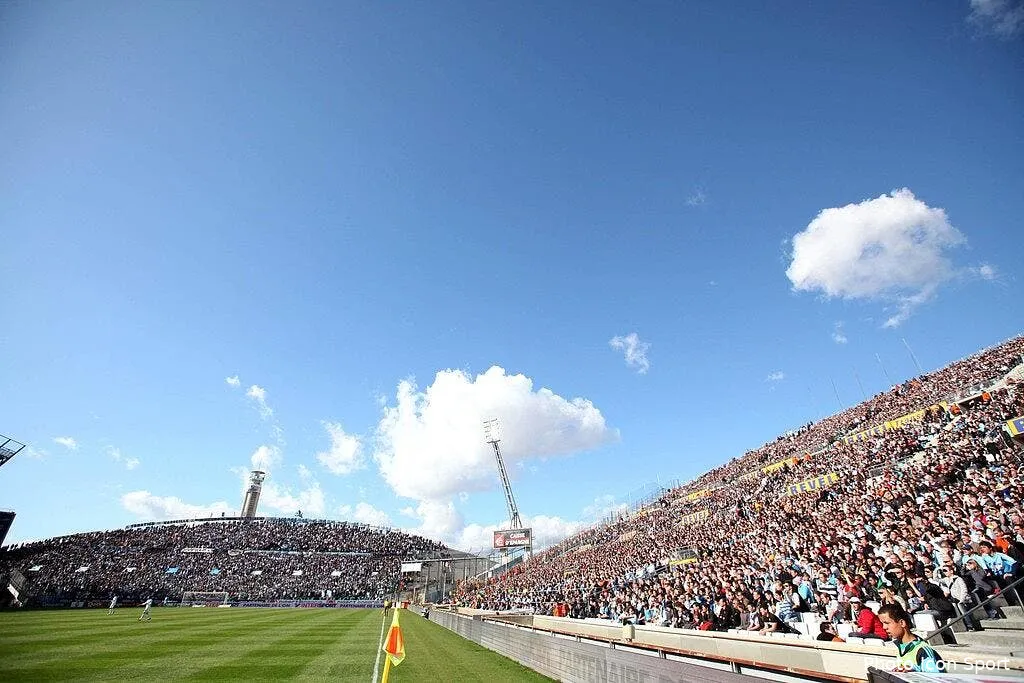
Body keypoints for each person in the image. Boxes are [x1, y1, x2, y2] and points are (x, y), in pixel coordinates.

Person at [877, 603, 945, 673]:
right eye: (882, 623)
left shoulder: (922, 650)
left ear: (902, 623)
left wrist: (914, 670)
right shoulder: (900, 646)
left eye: (887, 623)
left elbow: (938, 679)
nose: (884, 627)